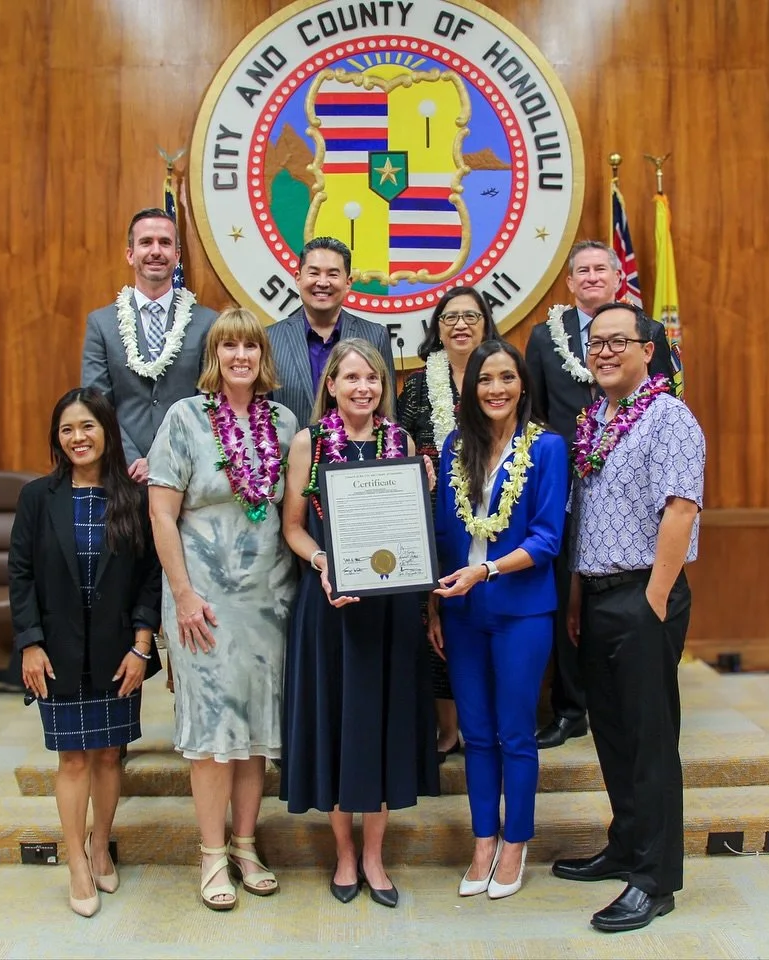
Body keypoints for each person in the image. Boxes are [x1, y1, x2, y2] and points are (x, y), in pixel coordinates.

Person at [551, 301, 705, 934]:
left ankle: (655, 879)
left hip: (645, 594)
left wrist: (654, 600)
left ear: (648, 350)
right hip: (597, 595)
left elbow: (681, 508)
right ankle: (625, 845)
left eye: (619, 341)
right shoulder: (595, 420)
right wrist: (579, 598)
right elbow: (585, 519)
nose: (605, 351)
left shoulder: (669, 416)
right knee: (612, 734)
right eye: (596, 342)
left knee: (649, 741)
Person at [146, 308, 298, 911]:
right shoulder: (184, 419)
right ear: (214, 356)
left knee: (254, 729)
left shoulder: (284, 424)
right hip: (202, 602)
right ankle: (211, 854)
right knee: (213, 731)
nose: (240, 356)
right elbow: (161, 515)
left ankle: (245, 845)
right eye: (229, 346)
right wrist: (183, 594)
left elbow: (293, 511)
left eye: (250, 346)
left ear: (263, 356)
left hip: (268, 600)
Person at [280, 338, 439, 908]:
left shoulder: (402, 445)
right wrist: (324, 561)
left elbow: (413, 529)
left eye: (372, 378)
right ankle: (344, 852)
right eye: (350, 378)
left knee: (383, 727)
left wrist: (422, 494)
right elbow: (292, 528)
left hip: (390, 610)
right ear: (331, 386)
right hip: (330, 606)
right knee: (337, 725)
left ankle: (375, 855)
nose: (363, 388)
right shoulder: (310, 442)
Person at [8, 387, 163, 918]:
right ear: (57, 438)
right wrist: (30, 643)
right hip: (57, 652)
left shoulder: (134, 498)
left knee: (108, 753)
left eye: (88, 426)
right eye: (68, 429)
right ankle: (76, 861)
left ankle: (101, 845)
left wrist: (142, 646)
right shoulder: (37, 497)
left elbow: (151, 576)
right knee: (72, 758)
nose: (78, 437)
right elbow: (20, 574)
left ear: (107, 433)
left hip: (119, 651)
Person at [525, 241, 683, 749]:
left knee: (633, 604)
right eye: (582, 271)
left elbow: (661, 398)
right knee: (569, 593)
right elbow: (537, 411)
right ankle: (572, 709)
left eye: (601, 269)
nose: (592, 276)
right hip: (569, 482)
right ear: (570, 282)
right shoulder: (544, 338)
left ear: (618, 279)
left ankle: (638, 703)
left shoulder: (648, 331)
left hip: (634, 486)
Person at [430, 340, 569, 901]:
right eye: (485, 379)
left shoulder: (548, 447)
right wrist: (434, 604)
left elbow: (547, 538)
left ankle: (515, 842)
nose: (496, 389)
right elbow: (444, 532)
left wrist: (485, 570)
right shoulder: (454, 446)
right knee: (477, 733)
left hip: (521, 610)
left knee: (514, 732)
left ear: (523, 385)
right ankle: (483, 839)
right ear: (471, 388)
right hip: (461, 611)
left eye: (507, 377)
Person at [396, 287, 502, 762]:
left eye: (470, 316)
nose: (460, 325)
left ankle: (487, 721)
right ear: (437, 327)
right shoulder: (420, 385)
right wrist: (415, 461)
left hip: (493, 515)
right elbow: (397, 440)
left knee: (485, 613)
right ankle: (446, 728)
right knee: (434, 615)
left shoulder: (499, 376)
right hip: (432, 516)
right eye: (450, 317)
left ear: (485, 323)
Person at [82, 207, 218, 481]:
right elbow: (96, 405)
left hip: (187, 473)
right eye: (146, 242)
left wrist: (162, 460)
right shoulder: (101, 324)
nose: (156, 251)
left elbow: (210, 403)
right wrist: (131, 460)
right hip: (123, 475)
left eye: (165, 243)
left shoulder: (208, 323)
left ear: (177, 256)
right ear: (130, 254)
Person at [267, 237, 396, 425]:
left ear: (348, 283)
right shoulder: (270, 339)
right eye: (314, 273)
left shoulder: (375, 337)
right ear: (298, 278)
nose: (322, 282)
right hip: (290, 444)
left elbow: (388, 415)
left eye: (333, 274)